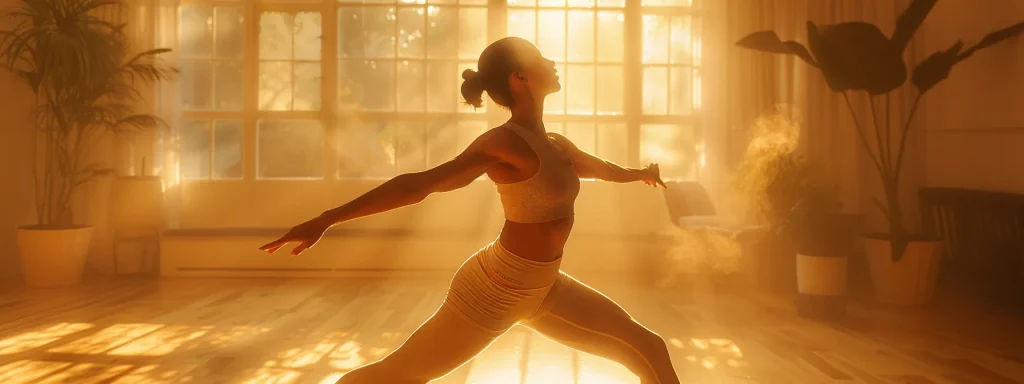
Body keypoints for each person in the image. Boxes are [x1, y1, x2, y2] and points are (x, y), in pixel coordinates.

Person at [259, 37, 681, 384]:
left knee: (649, 349)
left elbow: (603, 169)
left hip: (544, 287)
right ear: (519, 78)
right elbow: (418, 185)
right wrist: (325, 219)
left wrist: (642, 173)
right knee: (397, 376)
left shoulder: (557, 145)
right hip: (494, 290)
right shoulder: (502, 144)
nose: (552, 61)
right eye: (539, 58)